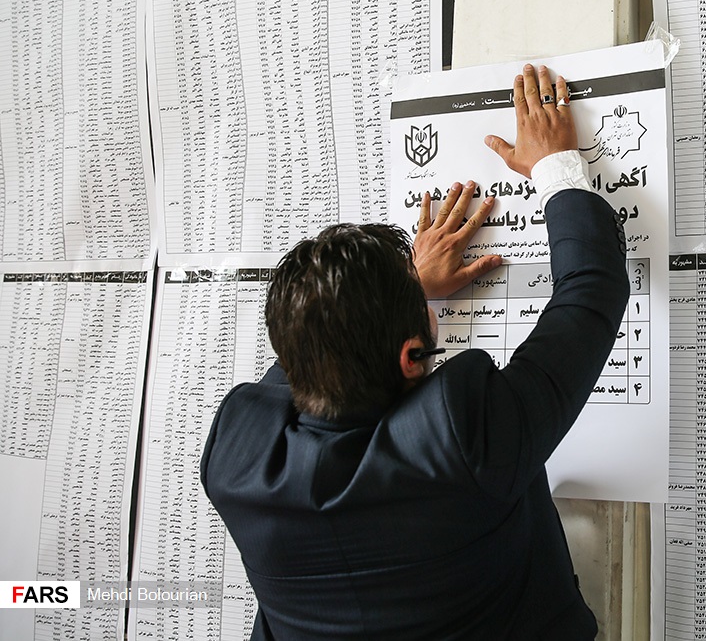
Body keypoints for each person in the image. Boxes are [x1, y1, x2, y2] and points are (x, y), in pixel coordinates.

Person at [201, 64, 629, 640]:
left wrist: (406, 292)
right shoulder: (462, 439)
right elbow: (591, 290)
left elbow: (313, 347)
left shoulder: (234, 457)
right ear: (410, 358)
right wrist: (555, 166)